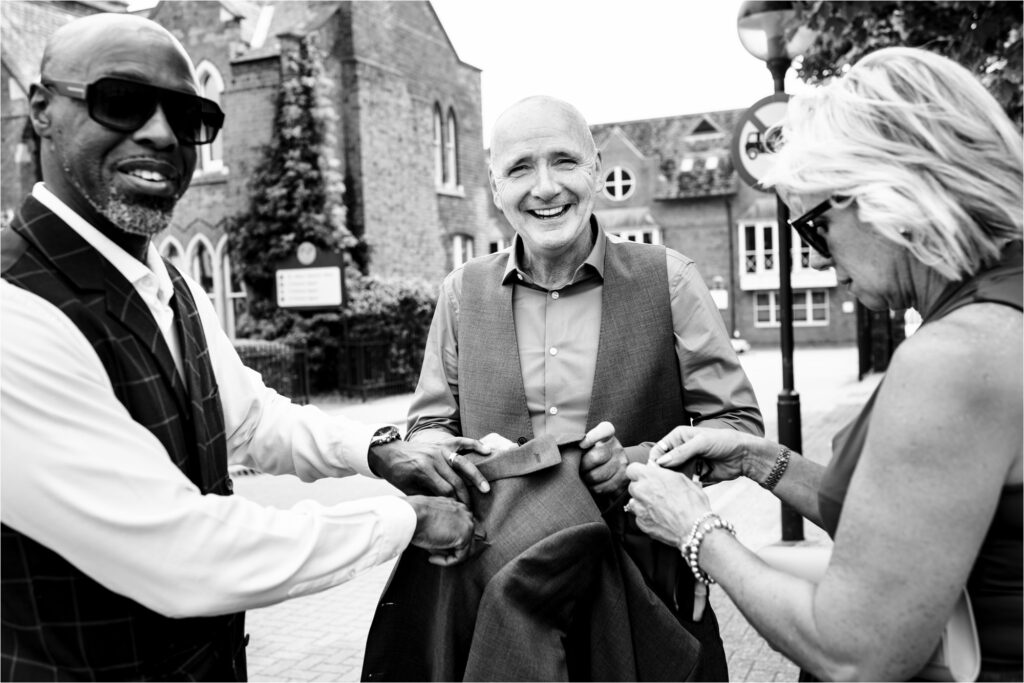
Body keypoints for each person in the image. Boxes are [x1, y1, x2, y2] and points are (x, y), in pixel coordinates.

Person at [0, 12, 491, 681]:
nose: (160, 133)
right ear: (41, 109)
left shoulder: (167, 282)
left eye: (189, 115)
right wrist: (401, 520)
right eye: (120, 102)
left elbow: (252, 418)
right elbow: (182, 552)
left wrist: (380, 451)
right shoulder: (14, 307)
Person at [625, 46, 1022, 681]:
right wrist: (756, 457)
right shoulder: (1003, 310)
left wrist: (697, 530)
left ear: (883, 189)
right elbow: (904, 520)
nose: (813, 261)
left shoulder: (956, 358)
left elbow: (854, 652)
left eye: (813, 229)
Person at [386, 95, 764, 679]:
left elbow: (738, 429)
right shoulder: (462, 293)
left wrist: (640, 461)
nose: (545, 187)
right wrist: (461, 454)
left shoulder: (672, 279)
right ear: (494, 186)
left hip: (645, 579)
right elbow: (430, 428)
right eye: (520, 168)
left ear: (594, 172)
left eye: (563, 161)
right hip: (505, 586)